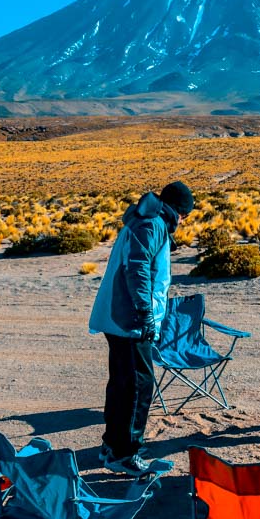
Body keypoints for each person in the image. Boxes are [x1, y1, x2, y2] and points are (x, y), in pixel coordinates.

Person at [88, 181, 194, 476]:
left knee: (122, 383)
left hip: (119, 316)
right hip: (130, 319)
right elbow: (138, 269)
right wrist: (146, 314)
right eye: (186, 214)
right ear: (179, 211)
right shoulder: (153, 225)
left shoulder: (145, 220)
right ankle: (125, 454)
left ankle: (112, 446)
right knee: (138, 385)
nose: (184, 221)